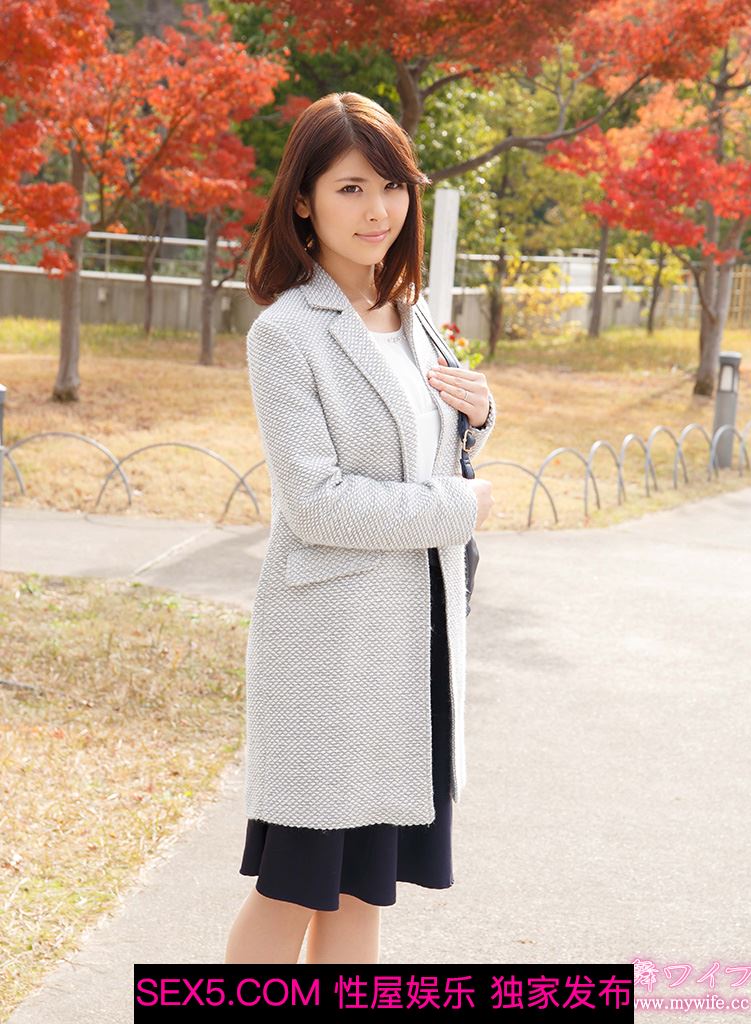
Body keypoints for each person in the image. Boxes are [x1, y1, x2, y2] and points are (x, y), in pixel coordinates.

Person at [225, 91, 496, 965]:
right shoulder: (286, 334)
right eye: (350, 188)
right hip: (332, 654)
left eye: (391, 186)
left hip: (412, 646)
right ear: (303, 201)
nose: (378, 209)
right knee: (292, 888)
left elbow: (423, 452)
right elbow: (317, 502)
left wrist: (479, 415)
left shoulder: (411, 314)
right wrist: (464, 506)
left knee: (361, 888)